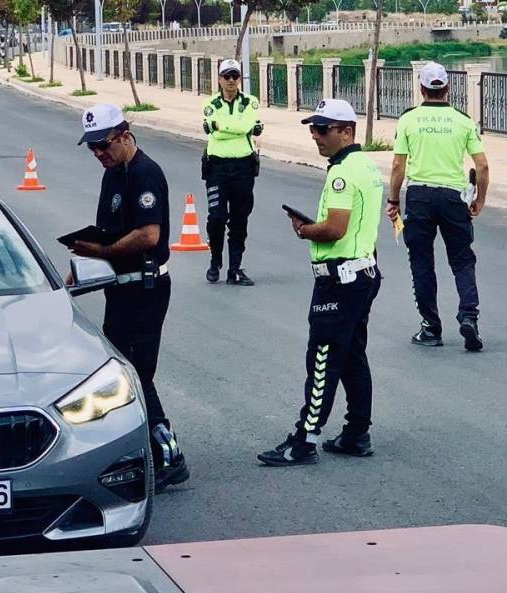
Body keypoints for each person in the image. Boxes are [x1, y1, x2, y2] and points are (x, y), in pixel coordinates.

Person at [258, 99, 384, 467]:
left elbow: (335, 229)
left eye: (323, 129)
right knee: (352, 356)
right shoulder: (368, 167)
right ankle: (357, 433)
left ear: (347, 131)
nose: (316, 136)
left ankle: (304, 439)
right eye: (313, 128)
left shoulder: (342, 173)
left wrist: (305, 230)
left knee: (324, 357)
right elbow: (362, 228)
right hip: (362, 272)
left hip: (340, 280)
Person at [72, 103, 190, 492]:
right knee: (125, 370)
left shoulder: (145, 173)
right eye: (92, 149)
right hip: (119, 286)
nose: (98, 154)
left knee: (137, 372)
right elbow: (109, 231)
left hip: (146, 287)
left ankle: (168, 454)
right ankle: (137, 450)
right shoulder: (113, 175)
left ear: (124, 135)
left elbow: (148, 235)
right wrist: (85, 259)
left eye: (103, 146)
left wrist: (102, 253)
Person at [388, 61, 490, 352]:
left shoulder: (409, 120)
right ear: (447, 88)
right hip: (453, 197)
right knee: (462, 260)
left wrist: (394, 200)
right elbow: (481, 166)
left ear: (421, 88)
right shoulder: (463, 120)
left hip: (419, 196)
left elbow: (398, 165)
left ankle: (430, 327)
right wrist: (479, 199)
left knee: (421, 261)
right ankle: (469, 316)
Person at [201, 58, 263, 286]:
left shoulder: (250, 102)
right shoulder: (210, 104)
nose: (230, 81)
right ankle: (215, 258)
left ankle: (234, 268)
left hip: (244, 167)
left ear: (240, 78)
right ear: (219, 78)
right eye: (226, 76)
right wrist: (237, 128)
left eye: (234, 76)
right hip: (217, 166)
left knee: (240, 219)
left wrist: (222, 126)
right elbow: (217, 133)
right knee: (216, 217)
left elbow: (246, 125)